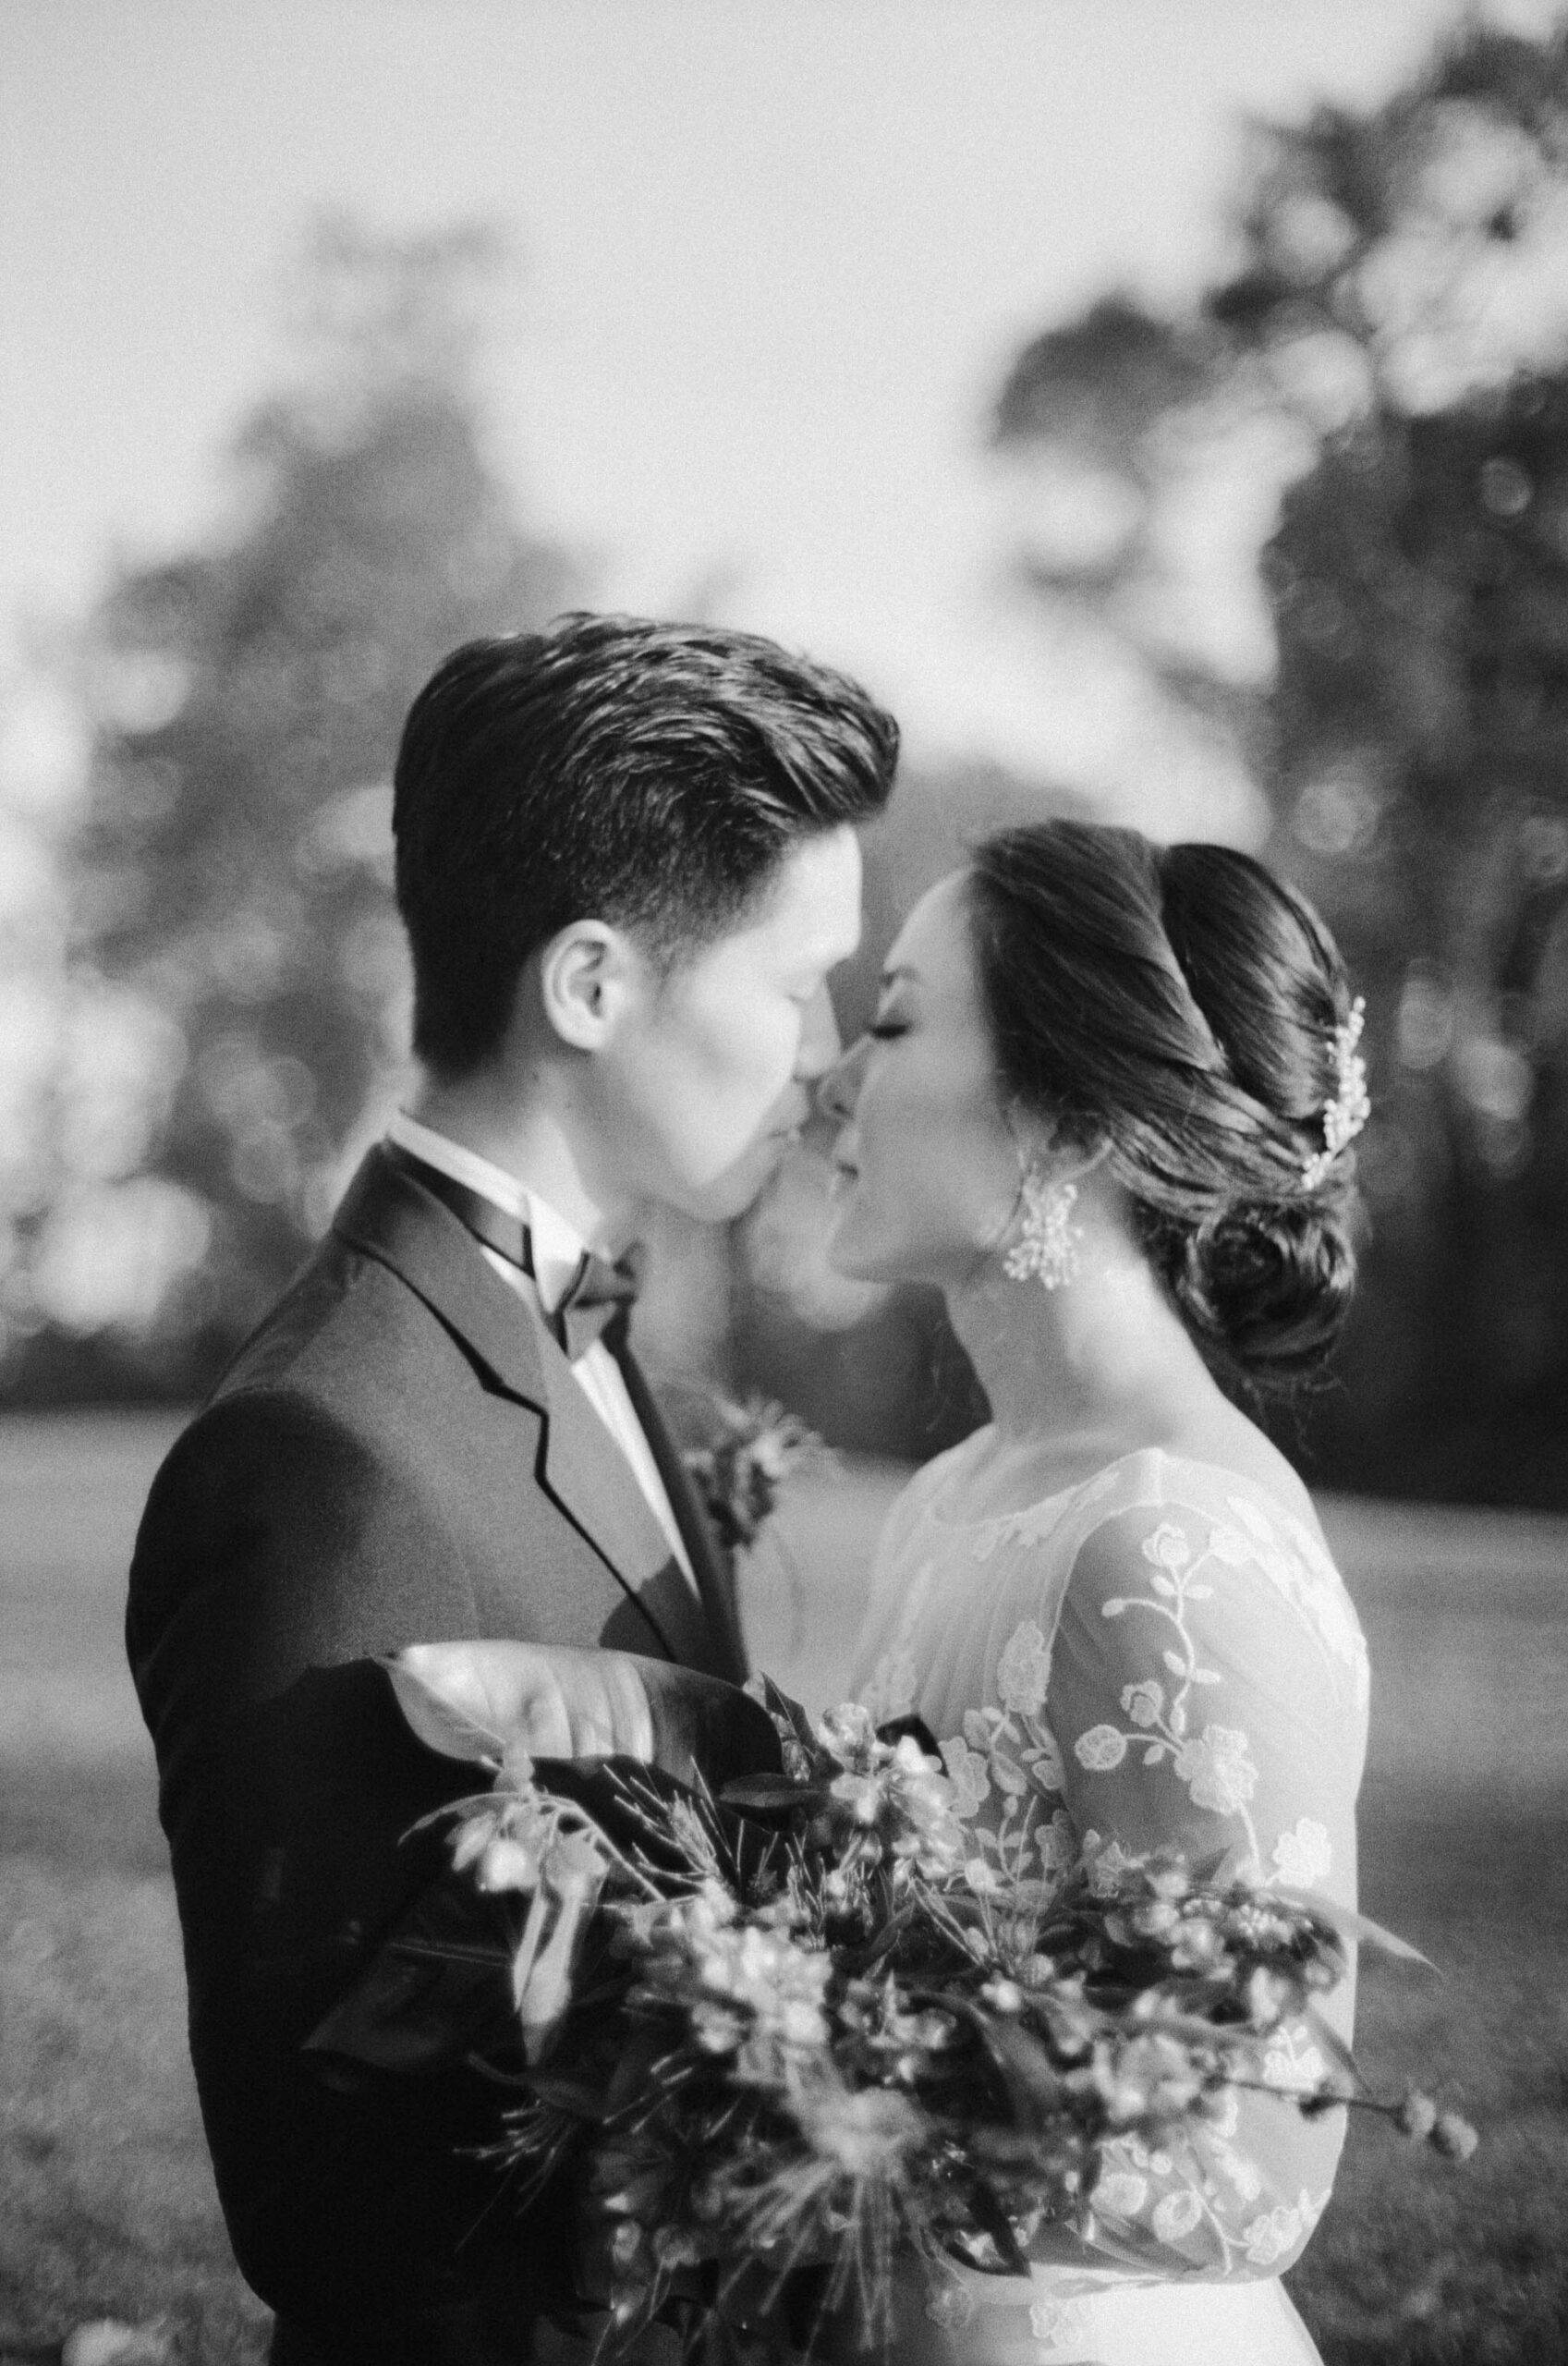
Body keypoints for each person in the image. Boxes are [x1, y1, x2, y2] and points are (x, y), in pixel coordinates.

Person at [126, 614, 899, 2366]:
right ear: (593, 987)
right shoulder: (322, 1460)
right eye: (793, 986)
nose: (829, 1051)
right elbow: (337, 2199)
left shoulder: (595, 1344)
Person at [822, 819, 1370, 2366]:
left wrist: (795, 2115)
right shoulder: (954, 1495)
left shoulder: (1167, 1549)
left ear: (1070, 1122)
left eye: (895, 1019)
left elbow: (1249, 2174)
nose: (833, 1081)